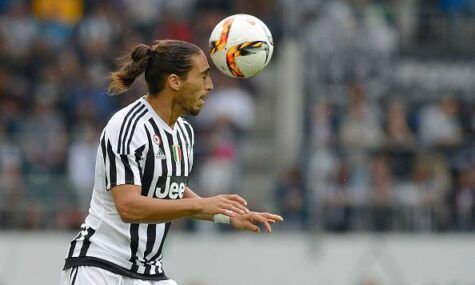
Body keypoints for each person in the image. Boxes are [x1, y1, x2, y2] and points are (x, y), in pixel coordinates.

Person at [60, 40, 283, 285]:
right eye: (203, 77)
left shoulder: (184, 133)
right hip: (100, 268)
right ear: (175, 81)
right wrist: (202, 206)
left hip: (149, 274)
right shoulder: (127, 126)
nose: (209, 86)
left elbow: (170, 189)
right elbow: (128, 207)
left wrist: (226, 215)